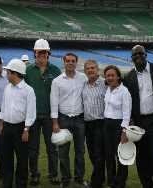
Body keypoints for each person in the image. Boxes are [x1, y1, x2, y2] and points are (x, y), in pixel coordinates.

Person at [123, 45, 153, 188]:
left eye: (141, 53)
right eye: (135, 55)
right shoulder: (129, 77)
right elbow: (127, 100)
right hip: (138, 122)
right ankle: (147, 184)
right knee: (141, 157)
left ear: (146, 55)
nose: (138, 56)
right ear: (132, 58)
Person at [25, 38, 61, 186]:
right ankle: (34, 174)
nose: (42, 55)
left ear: (48, 54)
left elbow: (60, 94)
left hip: (49, 116)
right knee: (33, 148)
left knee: (52, 147)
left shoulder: (55, 70)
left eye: (44, 52)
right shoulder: (28, 70)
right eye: (39, 52)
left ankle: (53, 174)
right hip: (32, 116)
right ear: (35, 53)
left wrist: (57, 119)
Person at [50, 53, 87, 188]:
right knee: (63, 152)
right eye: (68, 61)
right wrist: (55, 122)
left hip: (79, 119)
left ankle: (79, 178)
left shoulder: (83, 78)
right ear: (63, 62)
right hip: (63, 119)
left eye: (73, 61)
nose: (70, 63)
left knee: (80, 151)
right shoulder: (57, 81)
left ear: (76, 63)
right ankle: (65, 179)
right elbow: (53, 103)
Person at [0, 59, 36, 188]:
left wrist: (26, 129)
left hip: (21, 128)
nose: (6, 74)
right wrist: (2, 124)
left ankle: (21, 184)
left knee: (22, 159)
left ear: (14, 73)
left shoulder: (28, 90)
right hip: (7, 127)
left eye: (8, 72)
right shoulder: (7, 88)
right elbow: (4, 107)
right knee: (6, 157)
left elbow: (31, 112)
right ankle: (7, 183)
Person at [103, 65, 132, 188]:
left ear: (118, 77)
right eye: (107, 75)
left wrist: (124, 132)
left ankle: (120, 182)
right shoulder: (108, 89)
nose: (110, 78)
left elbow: (127, 113)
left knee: (120, 156)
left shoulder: (124, 91)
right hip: (107, 124)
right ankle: (111, 180)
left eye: (112, 75)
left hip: (119, 125)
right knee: (108, 155)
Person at [82, 60, 106, 188]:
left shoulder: (104, 83)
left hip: (100, 123)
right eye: (88, 68)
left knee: (98, 154)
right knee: (92, 153)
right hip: (87, 124)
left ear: (97, 69)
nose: (90, 70)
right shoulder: (84, 85)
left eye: (92, 68)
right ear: (85, 71)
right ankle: (101, 178)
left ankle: (95, 182)